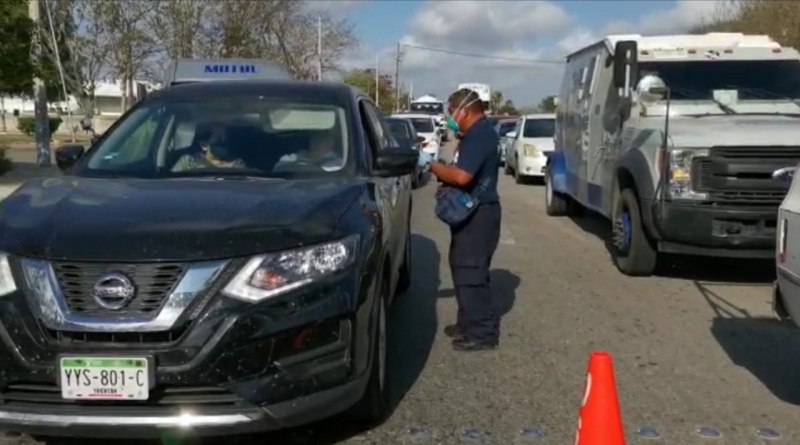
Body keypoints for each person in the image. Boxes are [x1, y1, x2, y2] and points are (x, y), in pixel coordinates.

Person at [418, 89, 502, 352]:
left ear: (464, 110)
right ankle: (468, 323)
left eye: (451, 112)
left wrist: (431, 166)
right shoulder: (476, 134)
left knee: (471, 272)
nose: (450, 118)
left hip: (479, 215)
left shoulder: (480, 135)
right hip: (474, 213)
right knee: (463, 268)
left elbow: (463, 177)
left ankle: (482, 333)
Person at [172, 121, 247, 172]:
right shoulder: (188, 163)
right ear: (204, 144)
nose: (223, 141)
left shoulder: (237, 165)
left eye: (225, 138)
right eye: (218, 138)